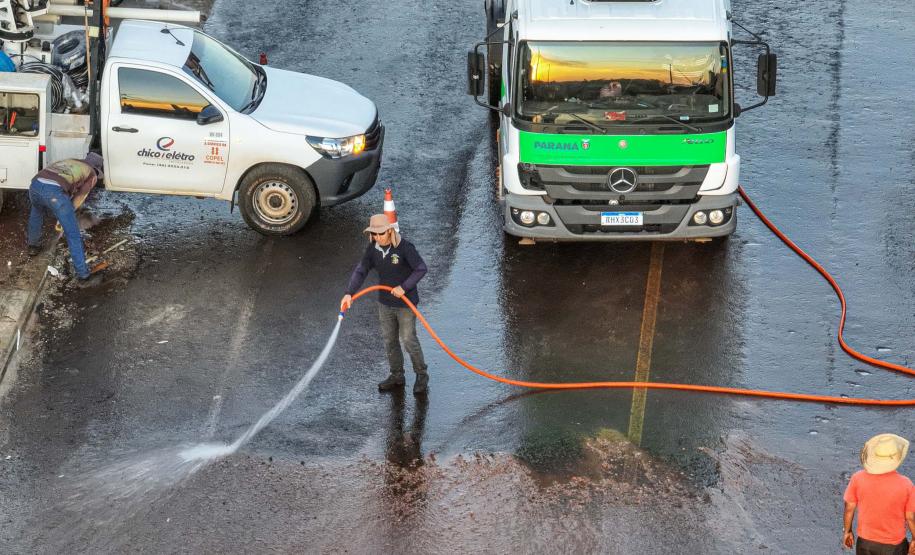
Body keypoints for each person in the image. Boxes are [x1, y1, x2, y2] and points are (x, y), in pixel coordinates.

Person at [341, 214, 429, 394]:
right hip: (385, 304)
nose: (377, 238)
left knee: (408, 339)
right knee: (390, 340)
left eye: (381, 234)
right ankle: (397, 375)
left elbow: (421, 269)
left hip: (406, 304)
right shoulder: (373, 249)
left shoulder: (405, 248)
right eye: (374, 234)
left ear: (389, 231)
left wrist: (404, 287)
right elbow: (361, 270)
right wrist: (349, 293)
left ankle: (421, 375)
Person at [27, 152, 105, 286]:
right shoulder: (91, 173)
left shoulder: (70, 160)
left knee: (37, 212)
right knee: (73, 234)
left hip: (35, 185)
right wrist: (66, 214)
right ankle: (84, 277)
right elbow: (79, 199)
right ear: (97, 169)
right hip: (53, 192)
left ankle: (33, 246)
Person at [843, 433, 915, 554]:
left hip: (865, 543)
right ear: (896, 457)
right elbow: (910, 517)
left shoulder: (858, 478)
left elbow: (849, 508)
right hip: (894, 546)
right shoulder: (906, 484)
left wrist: (847, 531)